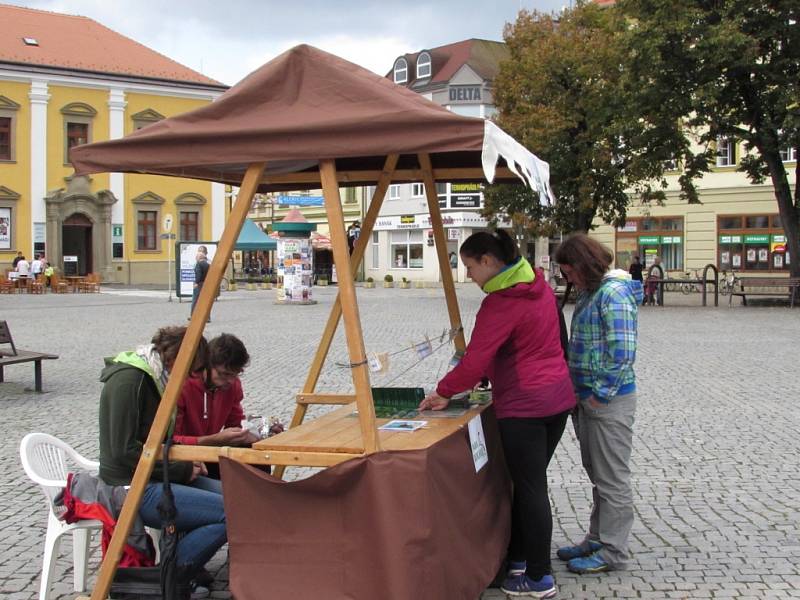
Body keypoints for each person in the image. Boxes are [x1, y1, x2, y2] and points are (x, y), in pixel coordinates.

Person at [419, 229, 575, 599]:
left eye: (470, 267)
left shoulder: (502, 302)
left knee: (531, 488)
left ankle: (539, 577)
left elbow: (474, 362)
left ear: (488, 261)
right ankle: (518, 559)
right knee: (527, 483)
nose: (469, 275)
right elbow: (539, 343)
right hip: (556, 400)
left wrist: (442, 392)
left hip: (526, 405)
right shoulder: (537, 286)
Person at [98, 326, 224, 589]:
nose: (193, 377)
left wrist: (187, 462)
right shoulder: (130, 380)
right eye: (192, 369)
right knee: (232, 512)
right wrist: (180, 470)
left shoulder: (154, 378)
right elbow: (124, 452)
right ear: (174, 360)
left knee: (237, 498)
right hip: (128, 486)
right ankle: (166, 577)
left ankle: (181, 568)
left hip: (150, 475)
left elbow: (158, 442)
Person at [553, 233, 643, 575]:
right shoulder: (593, 292)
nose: (568, 280)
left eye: (569, 272)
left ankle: (613, 551)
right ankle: (598, 536)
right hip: (588, 399)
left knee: (612, 479)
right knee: (599, 476)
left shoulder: (614, 294)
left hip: (607, 401)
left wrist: (598, 395)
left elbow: (622, 354)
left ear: (584, 265)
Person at [174, 333, 258, 480]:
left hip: (209, 453)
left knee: (256, 459)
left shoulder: (233, 386)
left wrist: (255, 435)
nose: (231, 381)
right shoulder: (183, 386)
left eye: (236, 374)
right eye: (224, 374)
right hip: (183, 461)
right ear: (206, 365)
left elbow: (236, 423)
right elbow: (173, 441)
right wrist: (214, 439)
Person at [190, 245, 211, 320]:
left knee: (195, 300)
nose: (196, 258)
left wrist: (196, 282)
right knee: (206, 301)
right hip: (207, 284)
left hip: (199, 284)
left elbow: (198, 274)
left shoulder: (199, 264)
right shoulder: (208, 264)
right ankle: (207, 317)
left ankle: (193, 316)